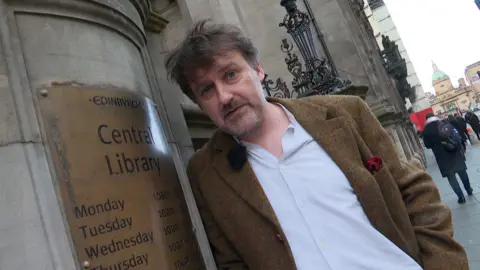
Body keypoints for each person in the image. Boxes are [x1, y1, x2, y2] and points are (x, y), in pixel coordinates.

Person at [165, 20, 468, 270]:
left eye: (231, 74)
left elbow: (416, 194)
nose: (224, 96)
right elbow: (230, 263)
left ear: (257, 70)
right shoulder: (204, 173)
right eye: (206, 90)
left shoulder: (345, 113)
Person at [423, 112, 473, 204]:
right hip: (454, 151)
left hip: (442, 157)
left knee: (451, 177)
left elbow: (427, 145)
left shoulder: (426, 130)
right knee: (462, 171)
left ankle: (461, 197)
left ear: (426, 119)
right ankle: (469, 189)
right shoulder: (444, 122)